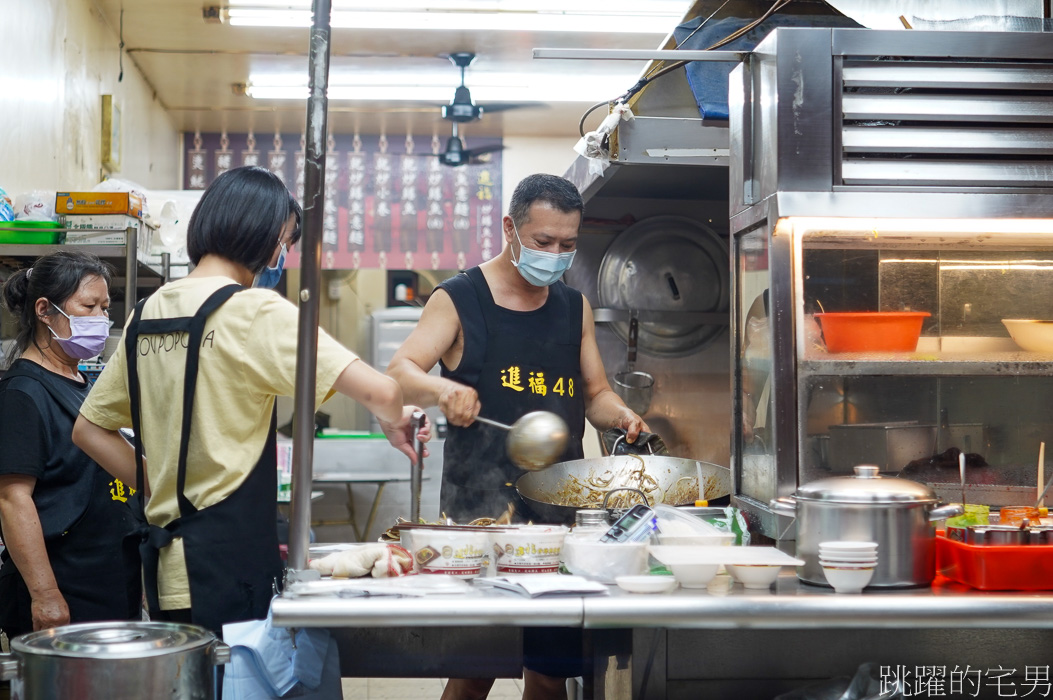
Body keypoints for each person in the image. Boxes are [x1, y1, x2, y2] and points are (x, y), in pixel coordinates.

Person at [73, 166, 429, 636]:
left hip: (164, 572)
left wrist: (156, 480)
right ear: (264, 235)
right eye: (285, 240)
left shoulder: (148, 311)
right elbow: (384, 391)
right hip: (229, 566)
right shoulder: (254, 310)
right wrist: (393, 417)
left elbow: (88, 429)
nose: (282, 254)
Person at [386, 173, 647, 700]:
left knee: (551, 671)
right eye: (543, 242)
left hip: (558, 515)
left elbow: (593, 394)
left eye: (567, 245)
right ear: (510, 228)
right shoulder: (459, 298)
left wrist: (619, 415)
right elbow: (400, 369)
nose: (555, 255)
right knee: (475, 668)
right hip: (479, 516)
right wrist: (442, 390)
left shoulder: (572, 307)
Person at [0, 252, 142, 639]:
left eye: (105, 308)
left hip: (108, 580)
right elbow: (13, 500)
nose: (100, 318)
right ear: (45, 310)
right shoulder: (23, 393)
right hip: (65, 588)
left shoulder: (80, 384)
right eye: (88, 307)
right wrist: (45, 594)